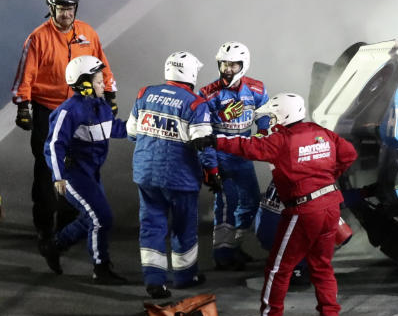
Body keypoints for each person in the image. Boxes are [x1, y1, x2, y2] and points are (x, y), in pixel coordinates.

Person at [193, 93, 357, 316]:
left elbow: (247, 147)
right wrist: (325, 175)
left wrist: (215, 141)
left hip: (303, 210)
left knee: (278, 268)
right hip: (331, 206)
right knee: (322, 267)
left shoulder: (282, 140)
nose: (270, 121)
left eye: (272, 116)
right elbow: (349, 154)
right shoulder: (321, 132)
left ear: (283, 115)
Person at [10, 0, 119, 246]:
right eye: (61, 8)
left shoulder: (87, 34)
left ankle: (69, 225)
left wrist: (109, 94)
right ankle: (44, 226)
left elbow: (100, 65)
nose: (66, 14)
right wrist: (23, 105)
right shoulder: (38, 38)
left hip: (80, 112)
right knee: (47, 170)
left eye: (70, 8)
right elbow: (26, 74)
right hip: (47, 112)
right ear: (51, 8)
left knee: (77, 168)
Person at [127, 51, 221, 299]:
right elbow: (203, 144)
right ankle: (184, 276)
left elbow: (132, 133)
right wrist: (212, 173)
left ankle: (155, 280)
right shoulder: (195, 104)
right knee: (183, 228)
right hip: (180, 178)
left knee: (151, 226)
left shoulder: (144, 94)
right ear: (190, 73)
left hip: (145, 174)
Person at [42, 56, 128, 282]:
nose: (105, 85)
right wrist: (58, 177)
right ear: (85, 84)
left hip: (90, 173)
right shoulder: (68, 111)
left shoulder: (101, 106)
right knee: (102, 217)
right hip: (73, 174)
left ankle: (54, 245)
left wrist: (140, 129)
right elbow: (53, 145)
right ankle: (101, 268)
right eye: (99, 81)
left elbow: (112, 129)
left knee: (92, 216)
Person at [199, 41, 271, 270]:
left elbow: (265, 114)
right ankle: (222, 253)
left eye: (233, 65)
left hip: (243, 152)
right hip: (220, 152)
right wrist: (221, 115)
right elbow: (199, 127)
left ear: (244, 65)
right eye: (224, 64)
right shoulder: (208, 93)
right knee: (227, 201)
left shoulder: (257, 89)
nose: (227, 69)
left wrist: (262, 132)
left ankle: (234, 245)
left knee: (251, 201)